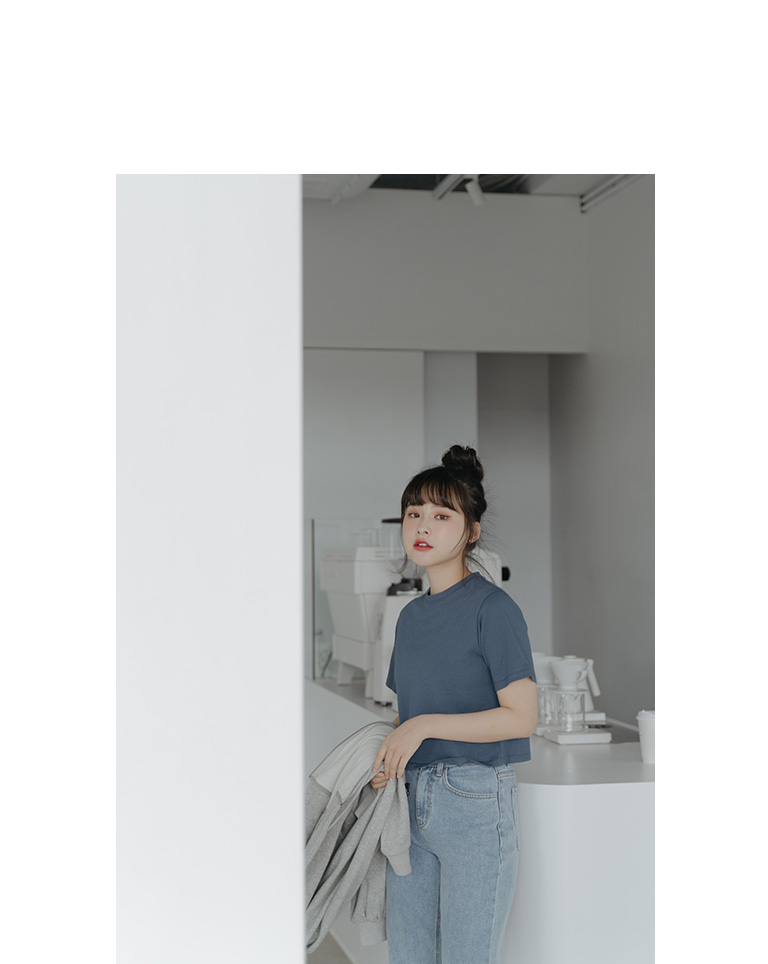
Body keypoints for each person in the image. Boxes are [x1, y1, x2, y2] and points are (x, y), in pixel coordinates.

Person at [370, 444, 538, 964]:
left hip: (473, 803)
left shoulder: (494, 609)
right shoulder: (409, 618)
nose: (423, 525)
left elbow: (522, 717)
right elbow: (408, 714)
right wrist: (390, 754)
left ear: (472, 531)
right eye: (414, 513)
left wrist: (420, 726)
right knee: (409, 956)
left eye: (442, 515)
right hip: (409, 799)